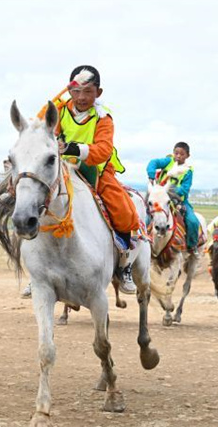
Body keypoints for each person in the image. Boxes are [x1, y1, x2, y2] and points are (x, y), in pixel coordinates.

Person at [36, 65, 139, 294]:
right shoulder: (60, 110)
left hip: (96, 170)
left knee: (123, 210)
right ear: (70, 90)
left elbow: (103, 150)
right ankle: (36, 269)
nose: (82, 97)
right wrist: (61, 93)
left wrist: (71, 147)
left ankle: (124, 265)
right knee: (33, 201)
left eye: (89, 91)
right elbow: (39, 121)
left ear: (98, 93)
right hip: (61, 169)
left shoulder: (104, 118)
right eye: (77, 90)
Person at [147, 142, 200, 255]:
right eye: (176, 153)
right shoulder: (168, 161)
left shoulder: (188, 170)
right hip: (159, 197)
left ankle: (192, 245)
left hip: (178, 199)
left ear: (187, 156)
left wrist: (172, 192)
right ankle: (140, 238)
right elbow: (153, 162)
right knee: (145, 214)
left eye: (182, 154)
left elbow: (185, 188)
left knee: (193, 221)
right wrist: (151, 175)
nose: (178, 156)